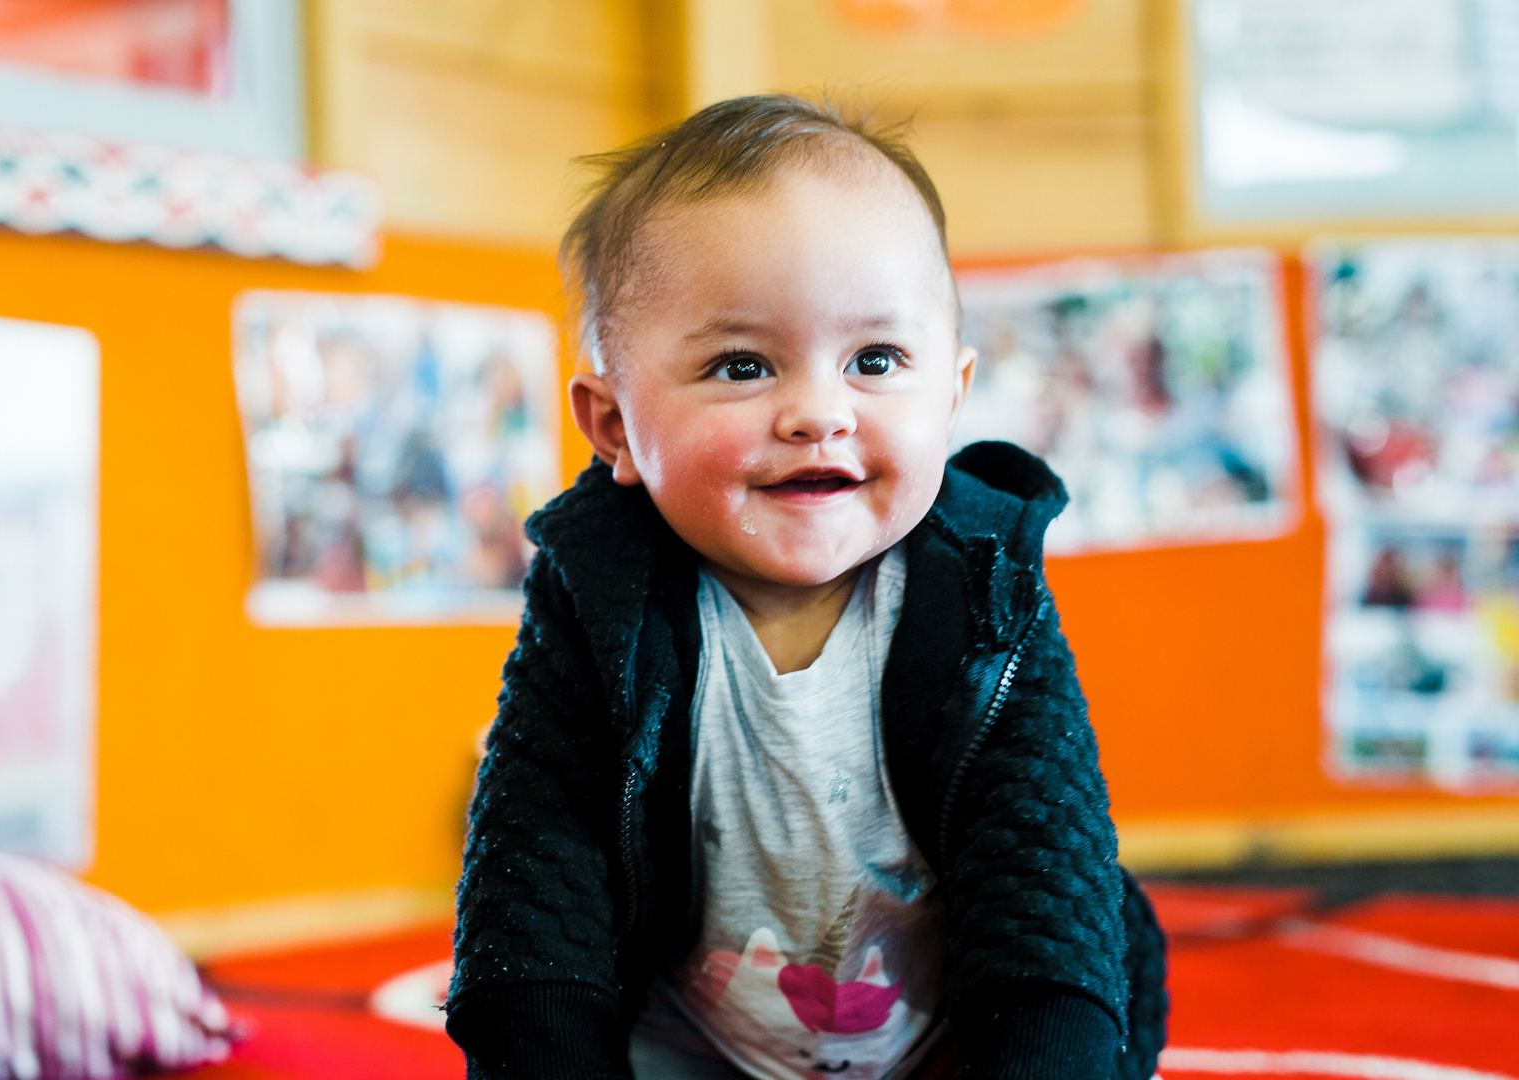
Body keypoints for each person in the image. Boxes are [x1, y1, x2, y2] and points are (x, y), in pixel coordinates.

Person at [446, 94, 1167, 1080]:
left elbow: (1044, 865)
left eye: (875, 359)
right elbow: (535, 870)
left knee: (1107, 931)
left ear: (950, 395)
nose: (819, 413)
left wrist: (1051, 1049)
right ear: (613, 426)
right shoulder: (596, 600)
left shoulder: (983, 592)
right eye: (742, 365)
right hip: (700, 1044)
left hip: (958, 1042)